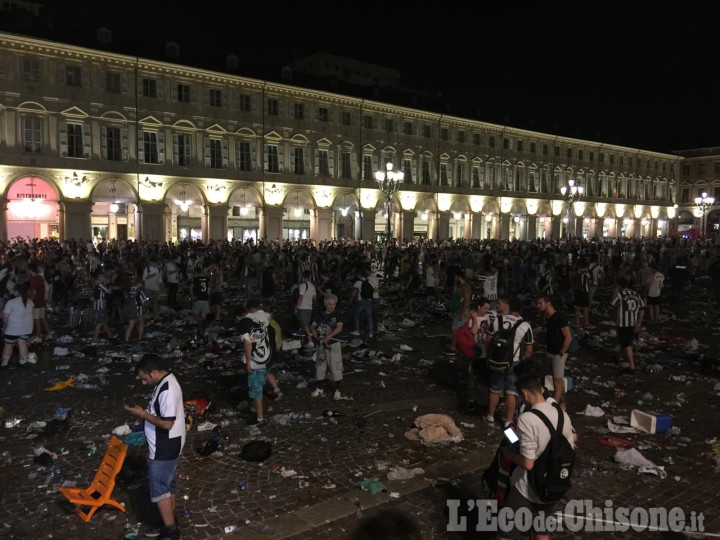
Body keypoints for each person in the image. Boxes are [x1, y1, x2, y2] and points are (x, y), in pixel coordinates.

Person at [498, 374, 576, 540]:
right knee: (541, 529)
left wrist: (510, 454)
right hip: (554, 484)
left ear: (525, 394)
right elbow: (572, 440)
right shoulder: (563, 414)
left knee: (505, 531)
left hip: (528, 489)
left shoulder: (527, 419)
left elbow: (528, 463)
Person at [124, 354, 185, 540]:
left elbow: (167, 423)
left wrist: (142, 414)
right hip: (170, 444)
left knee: (160, 490)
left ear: (154, 372)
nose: (143, 383)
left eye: (144, 378)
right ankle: (169, 520)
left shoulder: (167, 389)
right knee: (168, 485)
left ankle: (170, 532)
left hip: (164, 446)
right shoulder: (166, 380)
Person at [485, 296, 534, 427]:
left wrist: (490, 355)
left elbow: (488, 340)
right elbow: (529, 350)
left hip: (497, 360)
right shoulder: (525, 325)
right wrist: (522, 360)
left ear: (510, 307)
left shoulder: (497, 320)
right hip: (515, 361)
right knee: (511, 392)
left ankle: (490, 416)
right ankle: (508, 421)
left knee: (495, 389)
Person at [237, 298, 273, 427]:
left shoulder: (244, 322)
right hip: (266, 356)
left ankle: (260, 419)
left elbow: (248, 344)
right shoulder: (263, 315)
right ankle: (256, 411)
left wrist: (247, 363)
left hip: (255, 361)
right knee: (258, 387)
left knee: (256, 390)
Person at [537, 295, 572, 408]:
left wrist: (561, 352)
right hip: (551, 352)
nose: (538, 306)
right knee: (558, 380)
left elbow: (568, 337)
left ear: (548, 303)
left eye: (540, 303)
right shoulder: (548, 317)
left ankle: (553, 408)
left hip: (557, 353)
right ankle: (562, 405)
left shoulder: (559, 317)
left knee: (557, 382)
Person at [310, 293, 347, 400]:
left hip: (333, 345)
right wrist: (314, 332)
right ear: (326, 304)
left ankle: (338, 391)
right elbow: (313, 326)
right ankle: (319, 388)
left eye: (334, 304)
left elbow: (339, 328)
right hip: (321, 344)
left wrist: (329, 336)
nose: (332, 306)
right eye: (330, 304)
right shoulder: (320, 314)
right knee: (320, 367)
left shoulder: (337, 314)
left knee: (335, 367)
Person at [610, 277, 646, 371]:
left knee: (626, 344)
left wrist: (614, 293)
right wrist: (639, 323)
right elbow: (642, 309)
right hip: (633, 322)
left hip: (623, 323)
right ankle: (619, 358)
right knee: (624, 342)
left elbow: (612, 305)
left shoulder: (620, 295)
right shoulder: (636, 294)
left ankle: (632, 366)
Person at [1, 283, 34, 367]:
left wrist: (4, 325)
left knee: (8, 345)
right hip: (26, 329)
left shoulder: (11, 302)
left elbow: (4, 316)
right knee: (22, 343)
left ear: (17, 292)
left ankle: (4, 364)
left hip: (12, 330)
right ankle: (23, 362)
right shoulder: (30, 302)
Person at [28, 262, 52, 343]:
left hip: (36, 302)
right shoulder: (40, 278)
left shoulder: (34, 279)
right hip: (42, 301)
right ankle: (49, 333)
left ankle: (39, 336)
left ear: (29, 270)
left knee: (36, 319)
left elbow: (34, 292)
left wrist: (30, 300)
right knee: (42, 317)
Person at [91, 271, 117, 344]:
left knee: (104, 321)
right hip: (100, 306)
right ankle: (94, 339)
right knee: (99, 323)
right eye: (103, 277)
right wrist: (111, 283)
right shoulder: (100, 285)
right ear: (100, 278)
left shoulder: (99, 285)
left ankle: (109, 334)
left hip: (99, 305)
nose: (105, 278)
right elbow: (109, 292)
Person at [294, 270, 316, 347]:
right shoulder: (312, 286)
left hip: (302, 307)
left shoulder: (303, 285)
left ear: (303, 277)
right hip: (309, 307)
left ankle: (310, 340)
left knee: (305, 325)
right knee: (303, 324)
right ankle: (301, 340)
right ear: (310, 276)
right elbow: (314, 297)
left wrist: (296, 307)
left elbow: (300, 297)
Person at [351, 267, 374, 338]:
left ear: (359, 275)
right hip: (369, 301)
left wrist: (351, 299)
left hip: (360, 301)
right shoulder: (370, 281)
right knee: (369, 317)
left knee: (357, 317)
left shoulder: (357, 282)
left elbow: (354, 293)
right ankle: (370, 333)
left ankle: (357, 331)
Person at [124, 278, 148, 343]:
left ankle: (126, 339)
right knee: (141, 323)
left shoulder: (129, 290)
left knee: (131, 325)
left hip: (130, 309)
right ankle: (140, 338)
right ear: (140, 284)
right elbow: (143, 302)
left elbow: (126, 298)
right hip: (137, 309)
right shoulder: (140, 291)